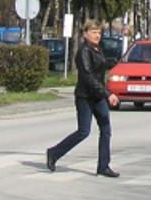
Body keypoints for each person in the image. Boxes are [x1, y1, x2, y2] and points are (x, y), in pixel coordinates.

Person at [46, 19, 120, 178]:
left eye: (99, 32)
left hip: (98, 97)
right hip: (85, 97)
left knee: (106, 129)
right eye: (93, 32)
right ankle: (53, 153)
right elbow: (88, 76)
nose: (97, 35)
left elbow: (102, 66)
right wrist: (108, 94)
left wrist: (116, 62)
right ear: (85, 34)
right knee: (83, 131)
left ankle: (103, 166)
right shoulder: (83, 51)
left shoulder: (97, 49)